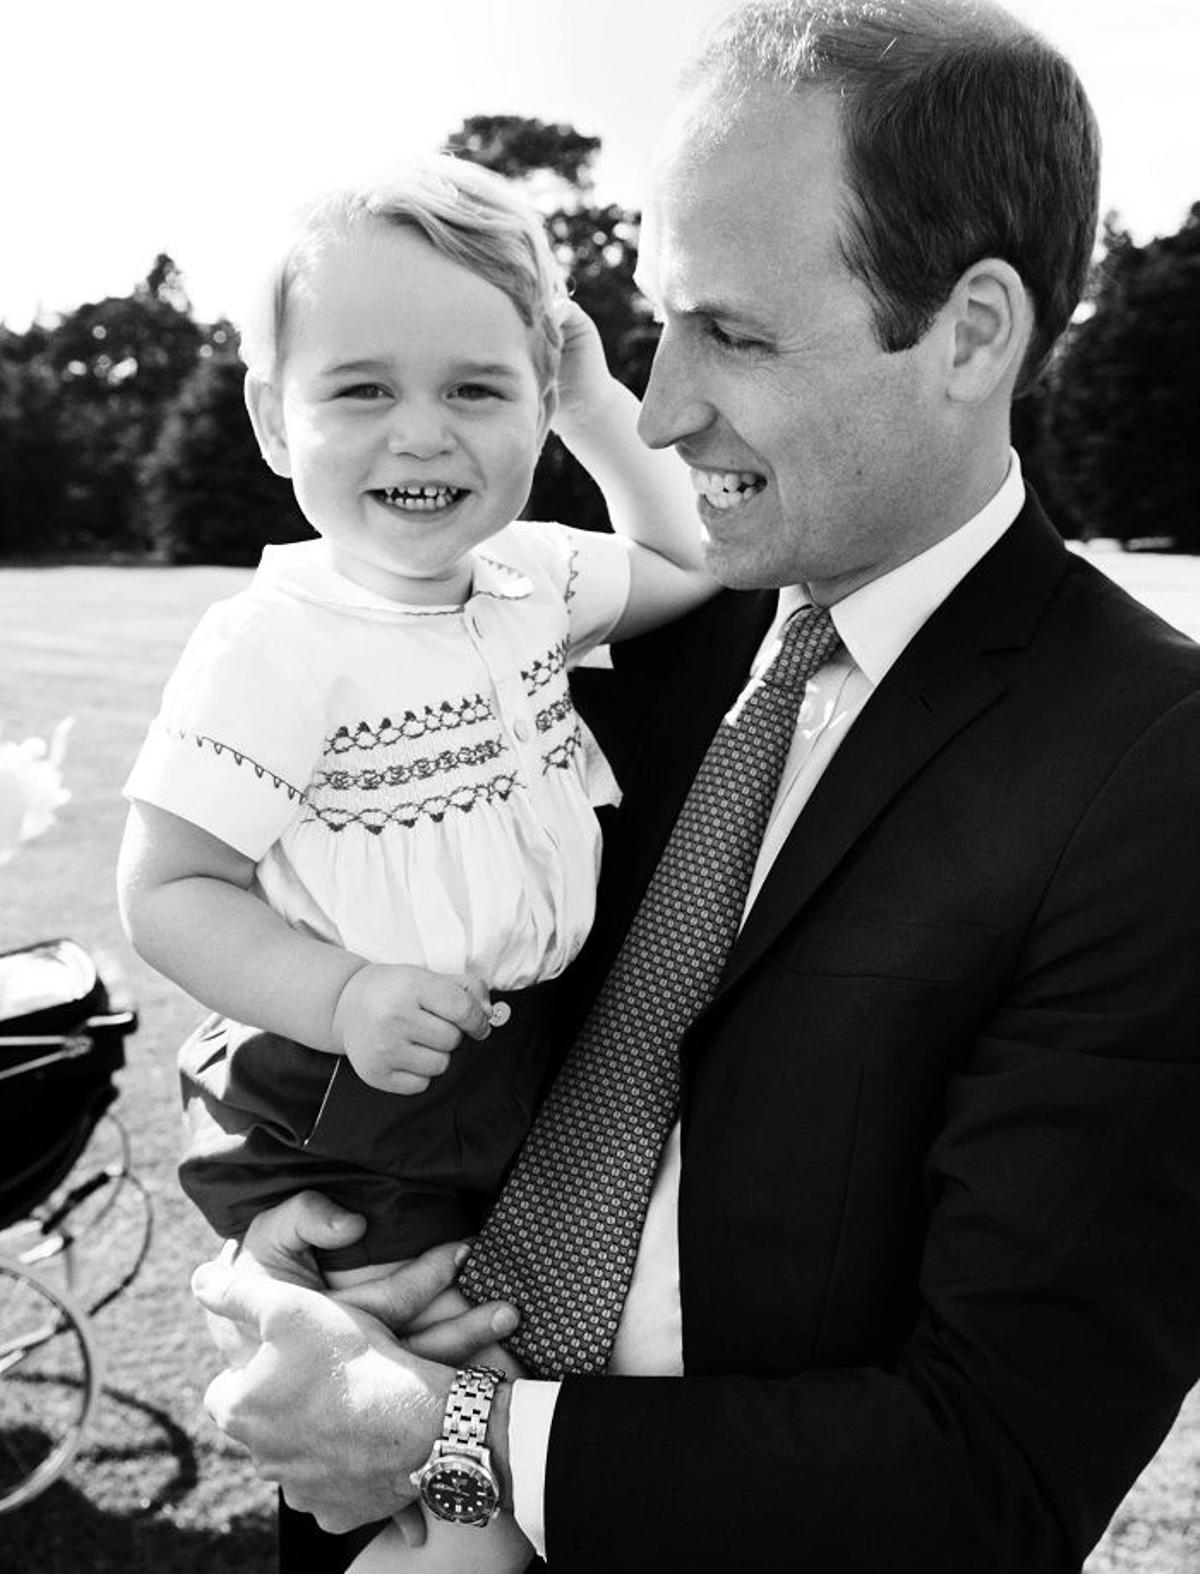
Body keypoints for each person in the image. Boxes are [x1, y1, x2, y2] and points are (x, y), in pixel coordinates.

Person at [192, 3, 1200, 1570]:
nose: (654, 410)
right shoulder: (594, 631)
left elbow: (990, 1473)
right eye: (657, 327)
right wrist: (295, 1251)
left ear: (970, 332)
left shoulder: (1154, 763)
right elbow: (322, 919)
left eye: (732, 333)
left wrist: (444, 1432)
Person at [116, 155, 716, 1573]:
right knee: (424, 1414)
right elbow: (168, 886)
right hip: (350, 1093)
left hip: (510, 1054)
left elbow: (688, 549)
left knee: (507, 1366)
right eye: (362, 388)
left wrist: (595, 403)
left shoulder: (532, 581)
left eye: (478, 388)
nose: (422, 434)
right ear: (275, 417)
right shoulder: (276, 642)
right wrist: (341, 991)